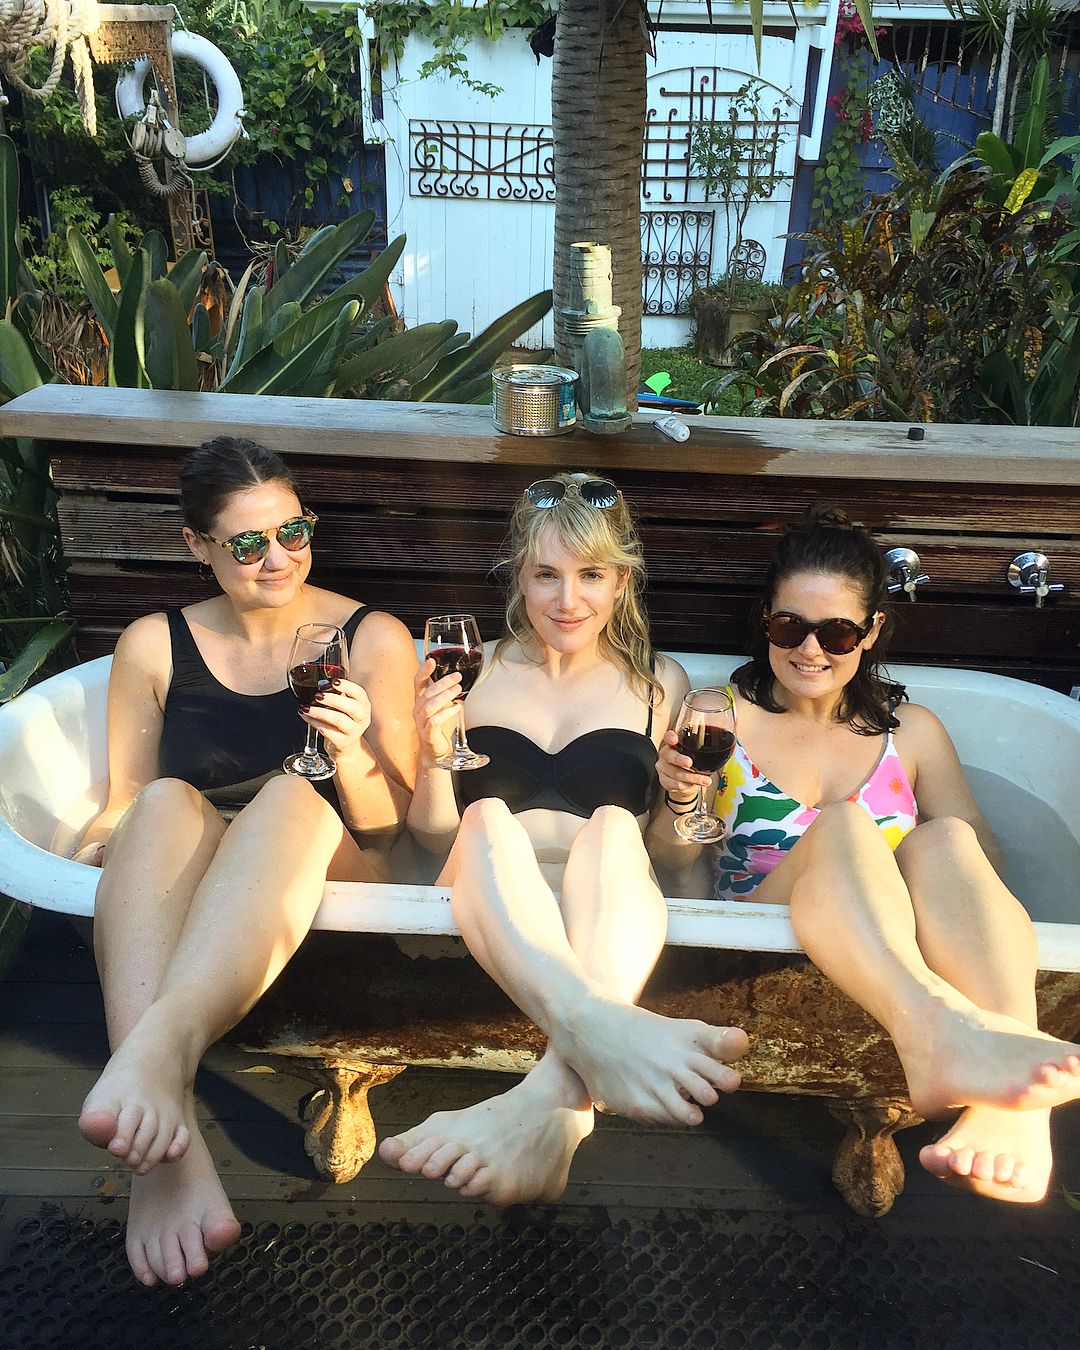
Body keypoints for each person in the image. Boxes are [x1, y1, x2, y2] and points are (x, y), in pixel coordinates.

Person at [648, 506, 1080, 1206]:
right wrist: (677, 800)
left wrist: (916, 884)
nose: (809, 650)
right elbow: (671, 867)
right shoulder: (719, 717)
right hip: (758, 942)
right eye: (789, 626)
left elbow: (986, 870)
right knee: (848, 826)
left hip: (888, 943)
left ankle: (1011, 1101)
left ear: (871, 631)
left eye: (837, 632)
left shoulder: (914, 734)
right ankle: (936, 1036)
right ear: (765, 622)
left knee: (947, 838)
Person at [71, 436, 418, 1287]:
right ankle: (170, 1150)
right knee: (161, 803)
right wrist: (96, 846)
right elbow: (125, 796)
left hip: (333, 872)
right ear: (197, 545)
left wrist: (353, 754)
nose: (279, 559)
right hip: (208, 884)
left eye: (294, 532)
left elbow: (397, 834)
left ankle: (153, 1061)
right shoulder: (154, 643)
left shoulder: (372, 637)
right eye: (249, 543)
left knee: (292, 796)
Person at [378, 472, 749, 1205]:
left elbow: (670, 856)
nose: (567, 600)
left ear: (622, 582)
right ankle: (594, 1038)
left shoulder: (659, 683)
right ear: (518, 576)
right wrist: (431, 752)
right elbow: (428, 842)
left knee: (613, 824)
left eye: (591, 576)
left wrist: (681, 797)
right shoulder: (470, 670)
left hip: (605, 906)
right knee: (489, 817)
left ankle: (552, 1102)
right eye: (546, 575)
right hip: (481, 897)